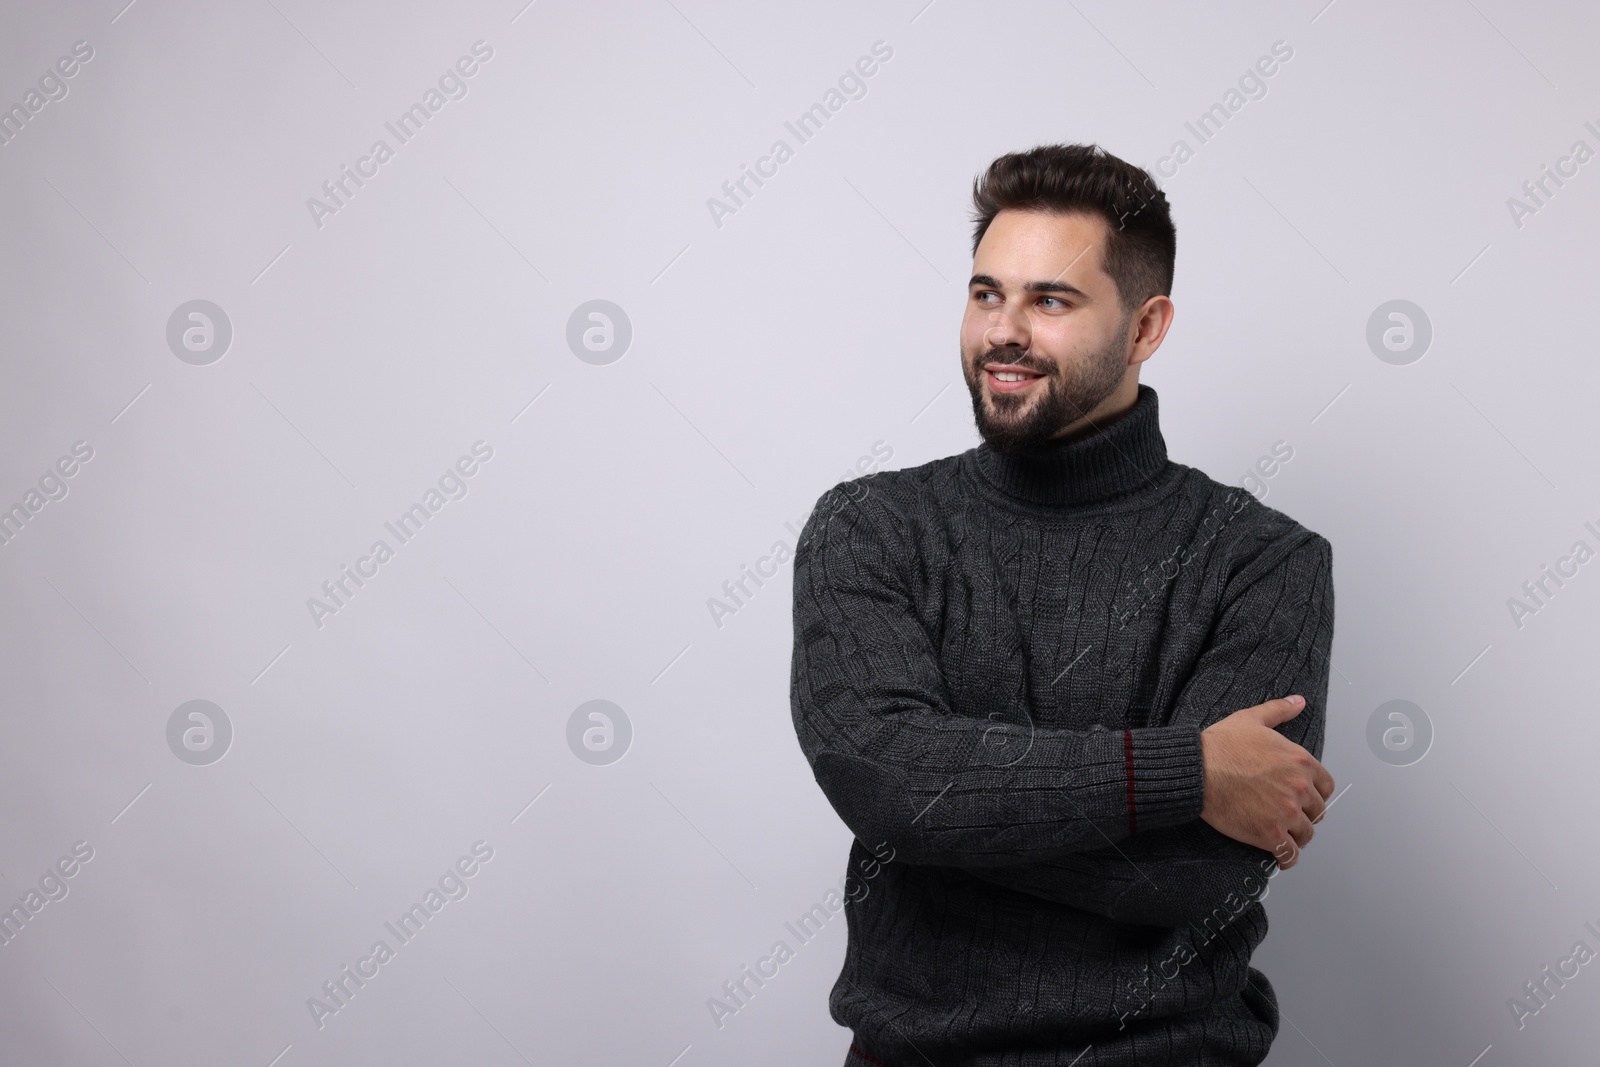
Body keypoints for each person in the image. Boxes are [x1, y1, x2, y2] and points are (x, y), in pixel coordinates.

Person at [789, 143, 1336, 1066]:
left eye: (1051, 300)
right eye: (984, 292)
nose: (1003, 330)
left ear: (1147, 325)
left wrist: (951, 810)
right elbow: (887, 784)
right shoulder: (872, 526)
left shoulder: (1263, 560)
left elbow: (1201, 875)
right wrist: (1188, 773)